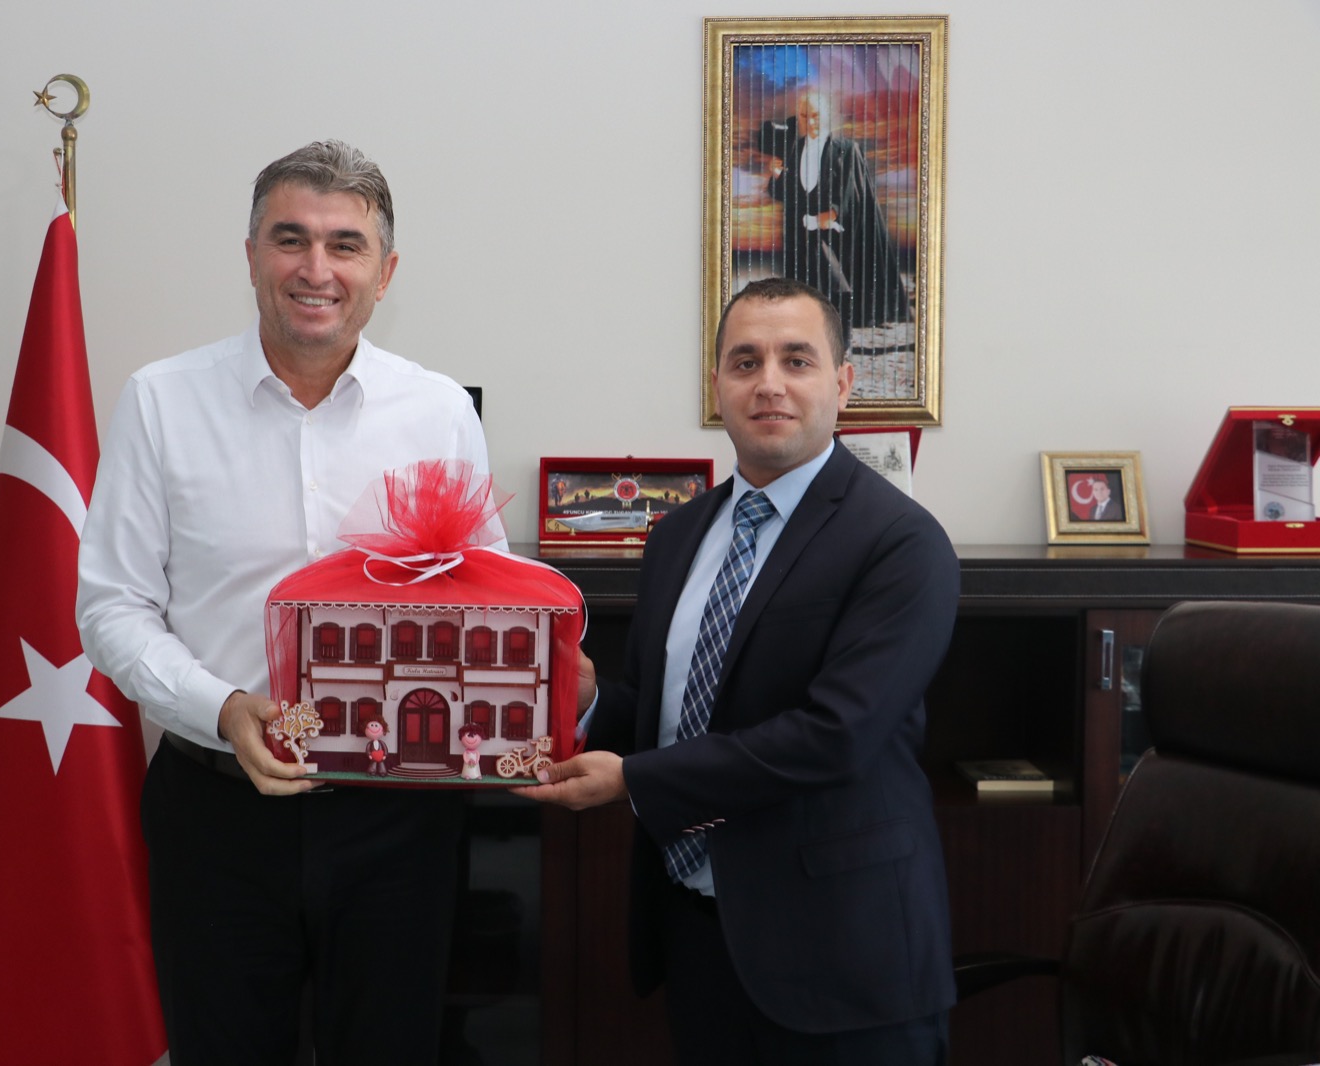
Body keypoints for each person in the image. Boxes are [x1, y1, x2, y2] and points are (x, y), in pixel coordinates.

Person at [76, 140, 493, 1065]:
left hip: (398, 818)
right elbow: (112, 608)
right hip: (215, 812)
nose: (316, 269)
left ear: (385, 272)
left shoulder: (437, 412)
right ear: (252, 254)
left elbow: (483, 598)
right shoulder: (160, 402)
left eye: (346, 245)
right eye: (291, 238)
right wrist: (225, 709)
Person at [517, 276, 959, 1064]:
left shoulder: (900, 541)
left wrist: (633, 782)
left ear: (842, 384)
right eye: (745, 361)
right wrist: (588, 703)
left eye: (797, 360)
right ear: (717, 384)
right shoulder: (678, 534)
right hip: (700, 936)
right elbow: (669, 711)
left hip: (841, 954)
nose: (770, 384)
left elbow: (836, 735)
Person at [756, 91, 911, 330]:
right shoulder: (795, 149)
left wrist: (823, 218)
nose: (810, 122)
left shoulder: (846, 149)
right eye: (804, 116)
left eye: (815, 116)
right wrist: (776, 176)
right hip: (808, 237)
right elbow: (787, 194)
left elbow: (850, 195)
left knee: (840, 290)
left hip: (840, 235)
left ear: (826, 116)